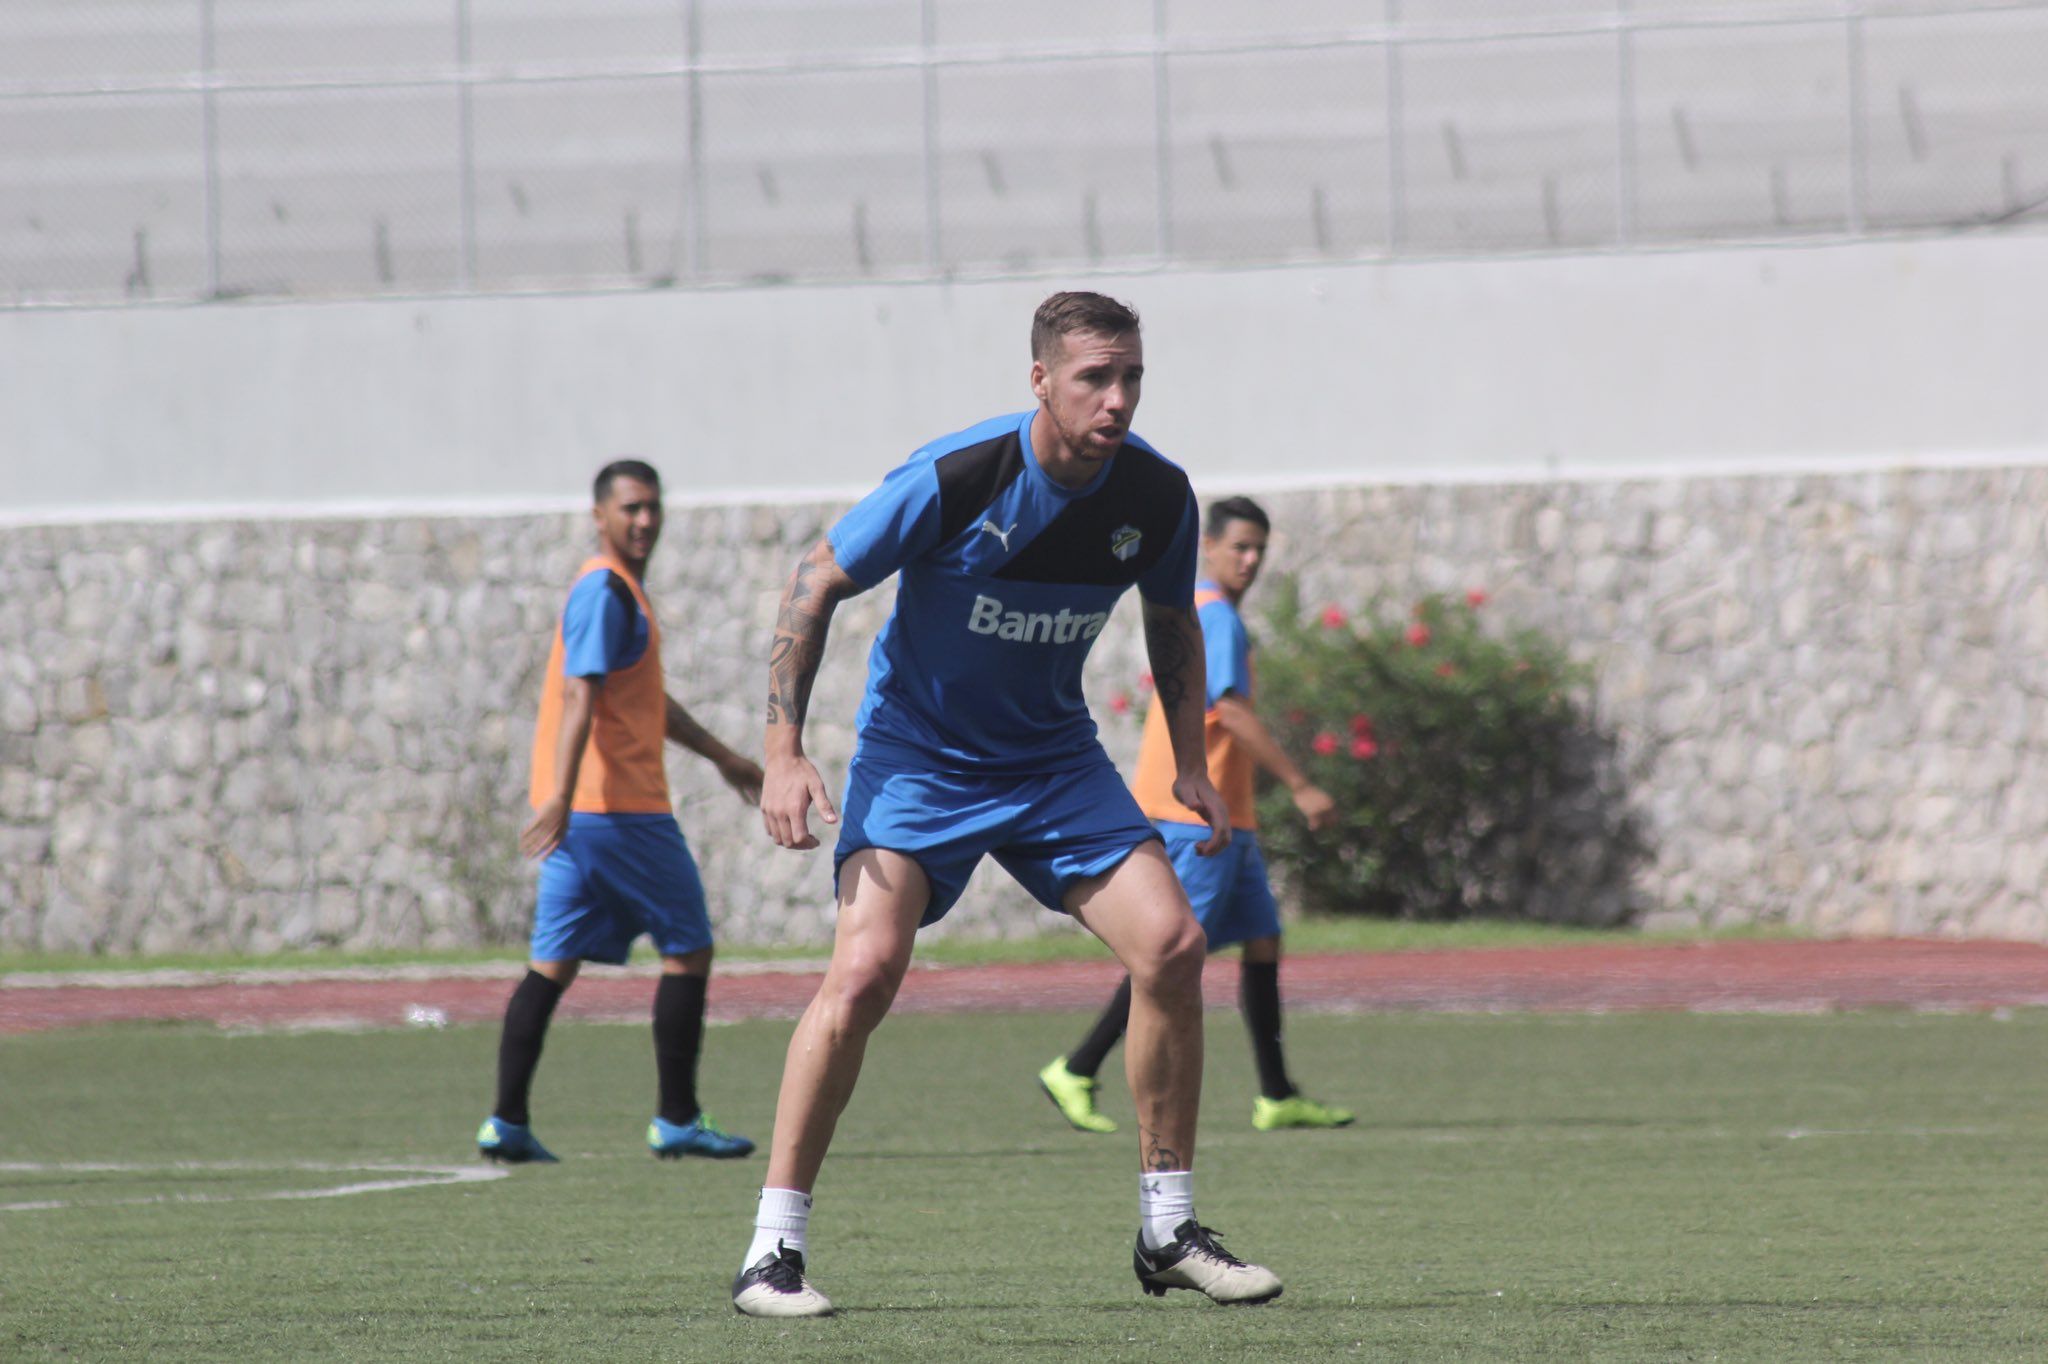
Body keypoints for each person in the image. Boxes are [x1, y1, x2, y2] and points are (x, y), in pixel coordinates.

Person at [730, 292, 1282, 1319]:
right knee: (861, 974)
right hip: (919, 758)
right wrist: (781, 747)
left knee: (1170, 942)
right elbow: (814, 581)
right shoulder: (958, 475)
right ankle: (772, 1250)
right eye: (1092, 378)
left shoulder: (1157, 495)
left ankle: (1167, 1226)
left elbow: (1171, 620)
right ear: (1039, 380)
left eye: (1130, 379)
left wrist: (1193, 756)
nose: (1115, 399)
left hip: (1050, 761)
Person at [1037, 496, 1355, 1136]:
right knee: (1169, 954)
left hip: (1227, 818)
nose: (1251, 559)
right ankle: (1077, 1066)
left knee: (1262, 941)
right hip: (1194, 817)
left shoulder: (1216, 616)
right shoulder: (1216, 617)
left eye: (1260, 549)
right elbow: (1230, 712)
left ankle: (1276, 1093)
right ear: (1208, 547)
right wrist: (1300, 785)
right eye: (1240, 546)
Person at [477, 459, 763, 1166]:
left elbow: (642, 703)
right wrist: (562, 798)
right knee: (688, 948)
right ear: (599, 516)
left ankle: (506, 1122)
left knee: (551, 965)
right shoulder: (604, 589)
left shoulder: (616, 591)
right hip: (621, 813)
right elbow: (583, 696)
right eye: (630, 508)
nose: (644, 521)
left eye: (652, 508)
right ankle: (676, 1119)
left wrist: (724, 756)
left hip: (585, 816)